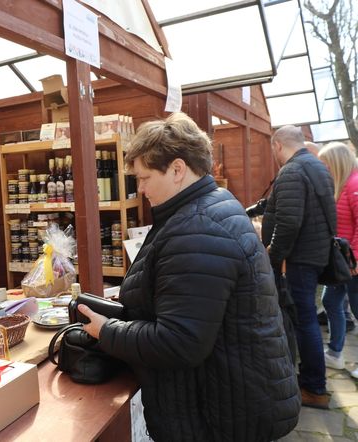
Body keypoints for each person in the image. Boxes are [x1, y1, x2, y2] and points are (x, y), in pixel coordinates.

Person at [79, 113, 300, 441]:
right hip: (237, 397)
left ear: (178, 169)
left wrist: (106, 331)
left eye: (144, 177)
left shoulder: (197, 227)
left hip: (220, 415)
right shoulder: (210, 207)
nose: (139, 189)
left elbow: (180, 341)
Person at [261, 125, 336, 409]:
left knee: (304, 322)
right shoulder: (317, 166)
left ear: (278, 145)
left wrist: (273, 253)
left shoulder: (292, 171)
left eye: (273, 150)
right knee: (306, 320)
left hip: (302, 259)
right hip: (316, 254)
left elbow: (289, 222)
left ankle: (314, 387)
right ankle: (312, 382)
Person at [317, 142, 358, 374]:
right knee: (332, 302)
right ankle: (335, 353)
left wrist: (356, 261)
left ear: (336, 163)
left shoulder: (354, 185)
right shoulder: (342, 185)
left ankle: (336, 352)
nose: (324, 168)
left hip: (352, 264)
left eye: (326, 164)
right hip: (343, 263)